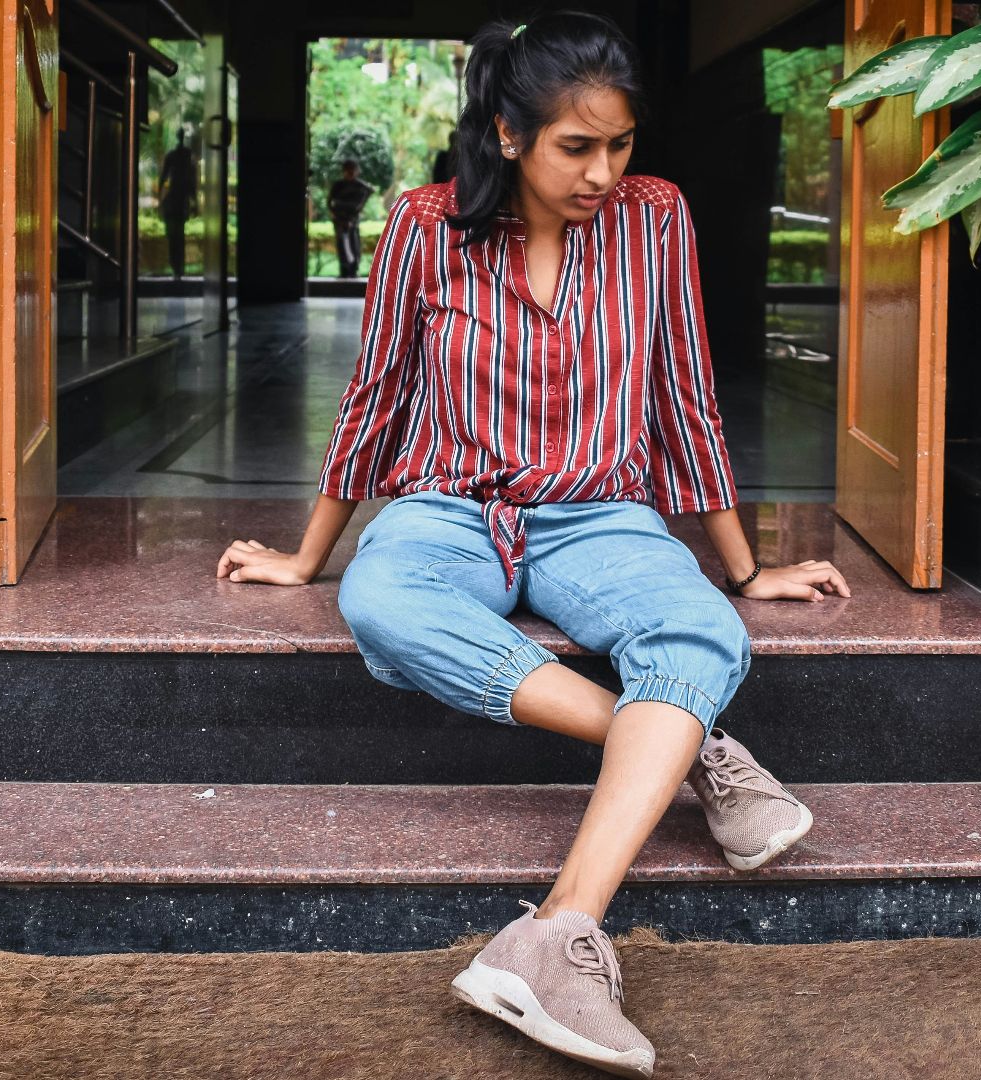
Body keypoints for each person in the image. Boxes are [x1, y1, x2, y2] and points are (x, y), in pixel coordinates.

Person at [215, 11, 849, 1077]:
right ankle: (695, 751)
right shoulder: (426, 225)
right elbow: (375, 397)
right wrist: (307, 557)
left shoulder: (657, 220)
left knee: (696, 631)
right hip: (446, 506)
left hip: (601, 511)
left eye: (621, 145)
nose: (603, 171)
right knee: (383, 605)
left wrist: (744, 569)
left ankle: (558, 933)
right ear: (510, 134)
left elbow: (684, 395)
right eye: (576, 147)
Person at [156, 127, 197, 279]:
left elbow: (163, 178)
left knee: (174, 235)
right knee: (179, 235)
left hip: (175, 200)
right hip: (181, 200)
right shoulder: (187, 156)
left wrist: (159, 198)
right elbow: (192, 181)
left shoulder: (173, 156)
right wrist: (195, 202)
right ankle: (179, 267)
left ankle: (176, 267)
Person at [326, 158, 374, 277]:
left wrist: (358, 208)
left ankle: (353, 270)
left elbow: (369, 192)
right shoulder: (338, 185)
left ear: (357, 171)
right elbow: (329, 201)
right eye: (348, 171)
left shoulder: (360, 185)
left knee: (354, 243)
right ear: (344, 171)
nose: (351, 173)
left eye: (353, 171)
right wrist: (335, 214)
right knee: (342, 244)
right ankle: (344, 271)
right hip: (339, 219)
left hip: (353, 219)